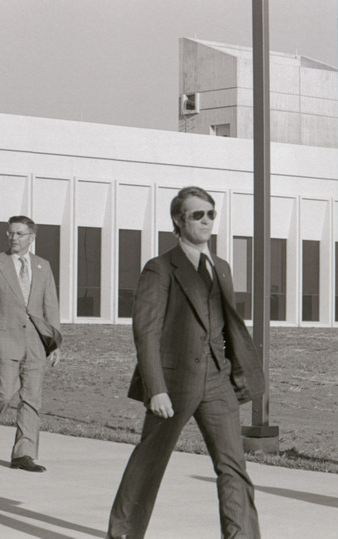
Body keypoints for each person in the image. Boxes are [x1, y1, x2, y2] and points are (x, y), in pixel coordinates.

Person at [106, 186, 264, 539]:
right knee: (150, 463)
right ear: (179, 220)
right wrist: (156, 389)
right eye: (198, 215)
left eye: (211, 214)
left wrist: (234, 373)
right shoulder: (160, 268)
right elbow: (146, 333)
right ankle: (123, 534)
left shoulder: (220, 267)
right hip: (173, 384)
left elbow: (224, 324)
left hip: (217, 381)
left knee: (233, 467)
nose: (207, 220)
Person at [0, 215, 60, 472]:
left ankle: (23, 454)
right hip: (4, 340)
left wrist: (54, 343)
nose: (13, 238)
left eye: (19, 234)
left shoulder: (43, 266)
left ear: (31, 237)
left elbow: (50, 307)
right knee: (4, 392)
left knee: (31, 399)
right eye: (10, 233)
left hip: (36, 344)